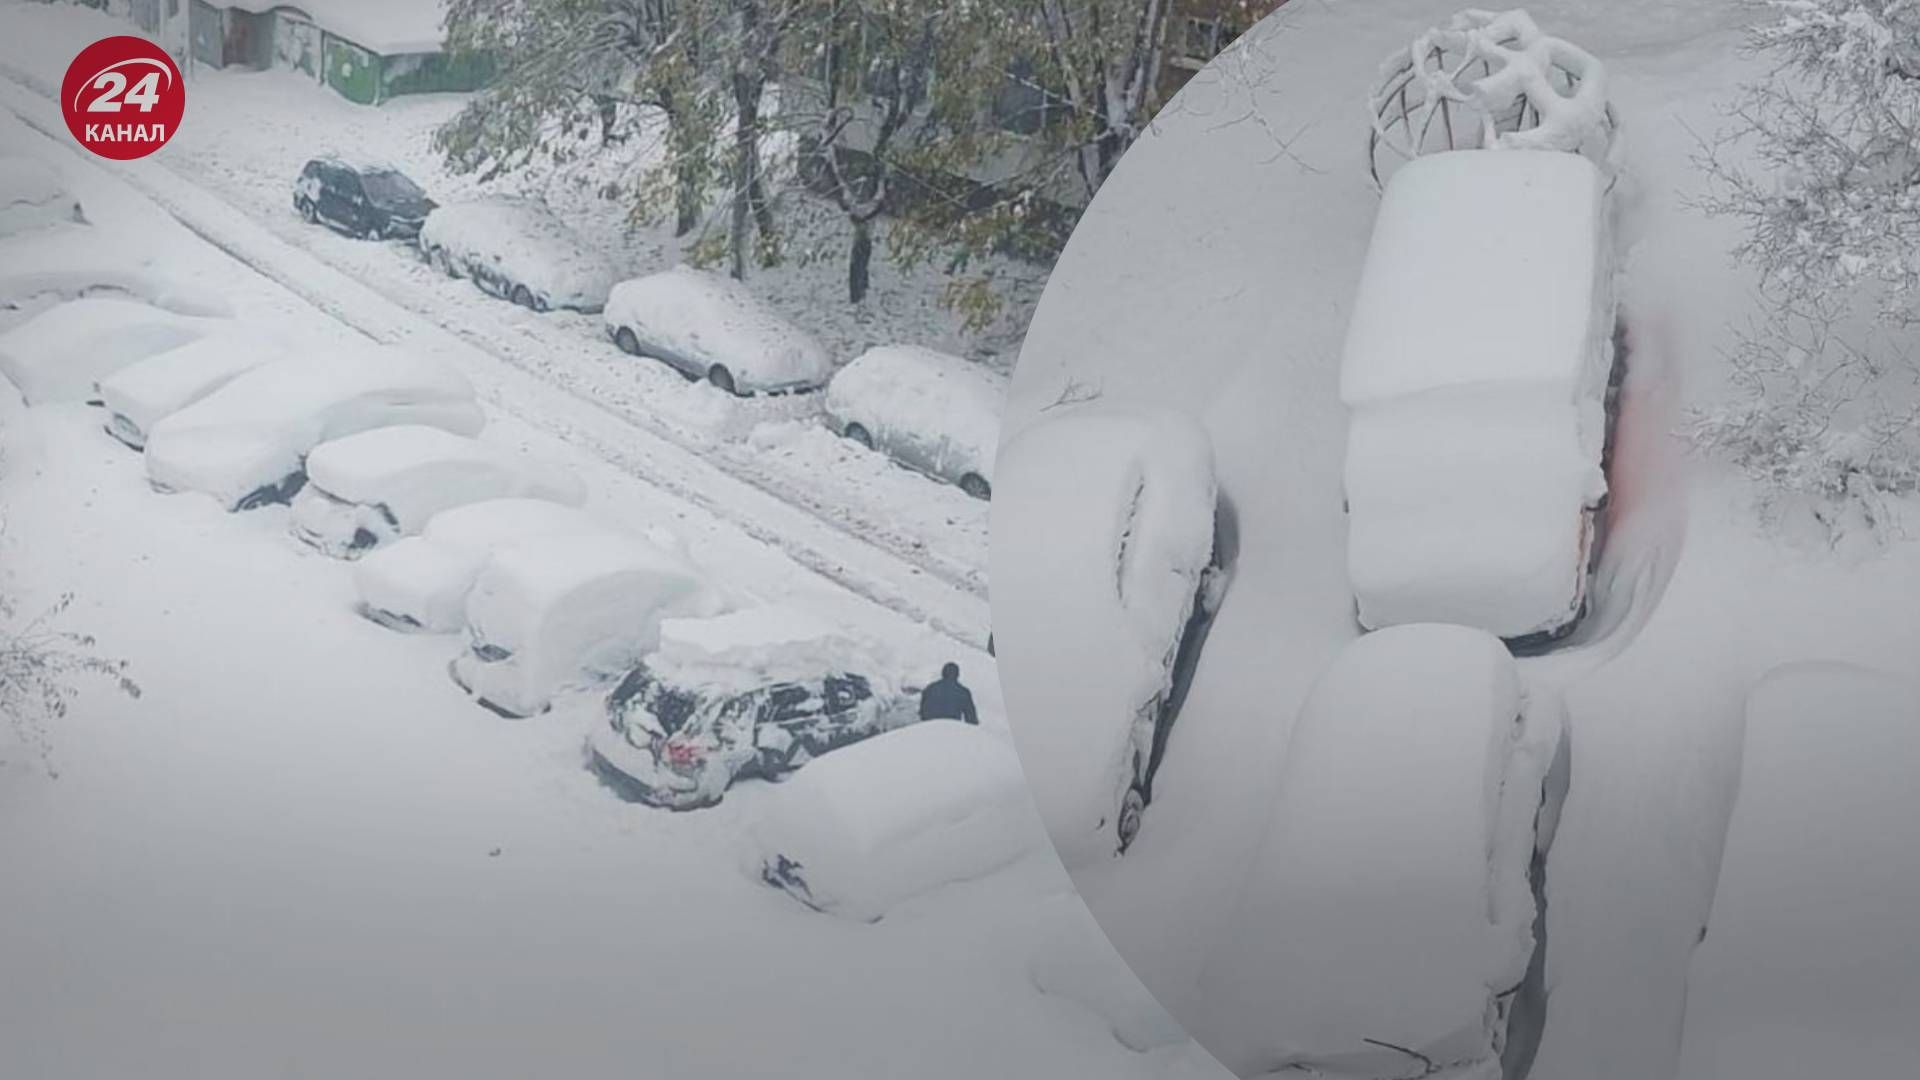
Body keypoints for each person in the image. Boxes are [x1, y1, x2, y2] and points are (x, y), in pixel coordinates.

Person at [918, 661, 978, 726]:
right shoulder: (963, 692)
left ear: (942, 673)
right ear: (957, 675)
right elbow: (971, 719)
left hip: (930, 727)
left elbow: (922, 712)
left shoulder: (930, 688)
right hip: (952, 728)